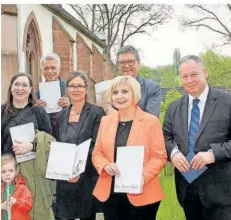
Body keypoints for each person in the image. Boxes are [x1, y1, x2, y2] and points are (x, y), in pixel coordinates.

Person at [163, 55, 231, 220]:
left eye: (194, 74)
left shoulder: (227, 101)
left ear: (205, 73)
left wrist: (213, 154)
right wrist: (173, 154)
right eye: (185, 76)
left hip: (220, 190)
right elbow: (165, 137)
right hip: (187, 188)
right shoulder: (174, 108)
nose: (189, 80)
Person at [92, 75, 167, 220]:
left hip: (142, 193)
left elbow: (159, 157)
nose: (119, 96)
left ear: (135, 94)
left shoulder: (151, 121)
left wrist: (142, 176)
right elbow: (97, 153)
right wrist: (105, 165)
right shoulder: (105, 121)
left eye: (125, 91)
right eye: (115, 92)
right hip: (111, 194)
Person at [54, 71, 105, 220]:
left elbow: (96, 144)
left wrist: (77, 169)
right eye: (72, 86)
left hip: (86, 175)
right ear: (67, 89)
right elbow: (59, 142)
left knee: (86, 216)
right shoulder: (61, 115)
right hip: (64, 178)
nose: (75, 89)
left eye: (79, 86)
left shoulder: (96, 112)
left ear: (86, 89)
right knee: (63, 216)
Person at [1, 72, 52, 155]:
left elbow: (49, 142)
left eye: (24, 85)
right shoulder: (1, 111)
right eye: (16, 84)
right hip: (6, 166)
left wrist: (32, 146)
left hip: (32, 165)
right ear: (11, 87)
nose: (20, 88)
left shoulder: (39, 112)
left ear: (30, 88)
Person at [116, 45, 161, 117]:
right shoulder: (111, 88)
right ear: (118, 66)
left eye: (130, 61)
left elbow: (151, 118)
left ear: (138, 63)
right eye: (122, 62)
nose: (126, 66)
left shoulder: (152, 88)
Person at [35, 53, 70, 138]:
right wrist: (35, 109)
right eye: (46, 68)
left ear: (59, 69)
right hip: (47, 138)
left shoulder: (69, 88)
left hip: (67, 136)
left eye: (53, 68)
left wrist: (71, 105)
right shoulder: (36, 94)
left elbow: (84, 111)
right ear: (42, 71)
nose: (50, 71)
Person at [1, 154, 32, 220]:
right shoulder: (1, 188)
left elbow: (29, 205)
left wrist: (16, 201)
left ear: (16, 171)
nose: (7, 174)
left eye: (11, 171)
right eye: (3, 172)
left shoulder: (23, 188)